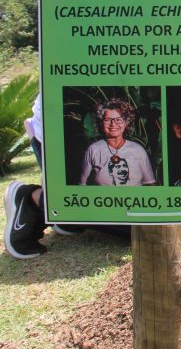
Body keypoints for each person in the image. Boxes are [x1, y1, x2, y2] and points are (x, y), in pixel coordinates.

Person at [4, 94, 131, 260]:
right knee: (142, 226)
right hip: (62, 134)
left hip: (80, 134)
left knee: (160, 220)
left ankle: (67, 215)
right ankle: (33, 199)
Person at [79, 97, 156, 186]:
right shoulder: (94, 149)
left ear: (126, 122)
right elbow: (82, 185)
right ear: (101, 122)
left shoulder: (138, 150)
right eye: (107, 119)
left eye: (118, 119)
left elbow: (151, 185)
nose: (113, 124)